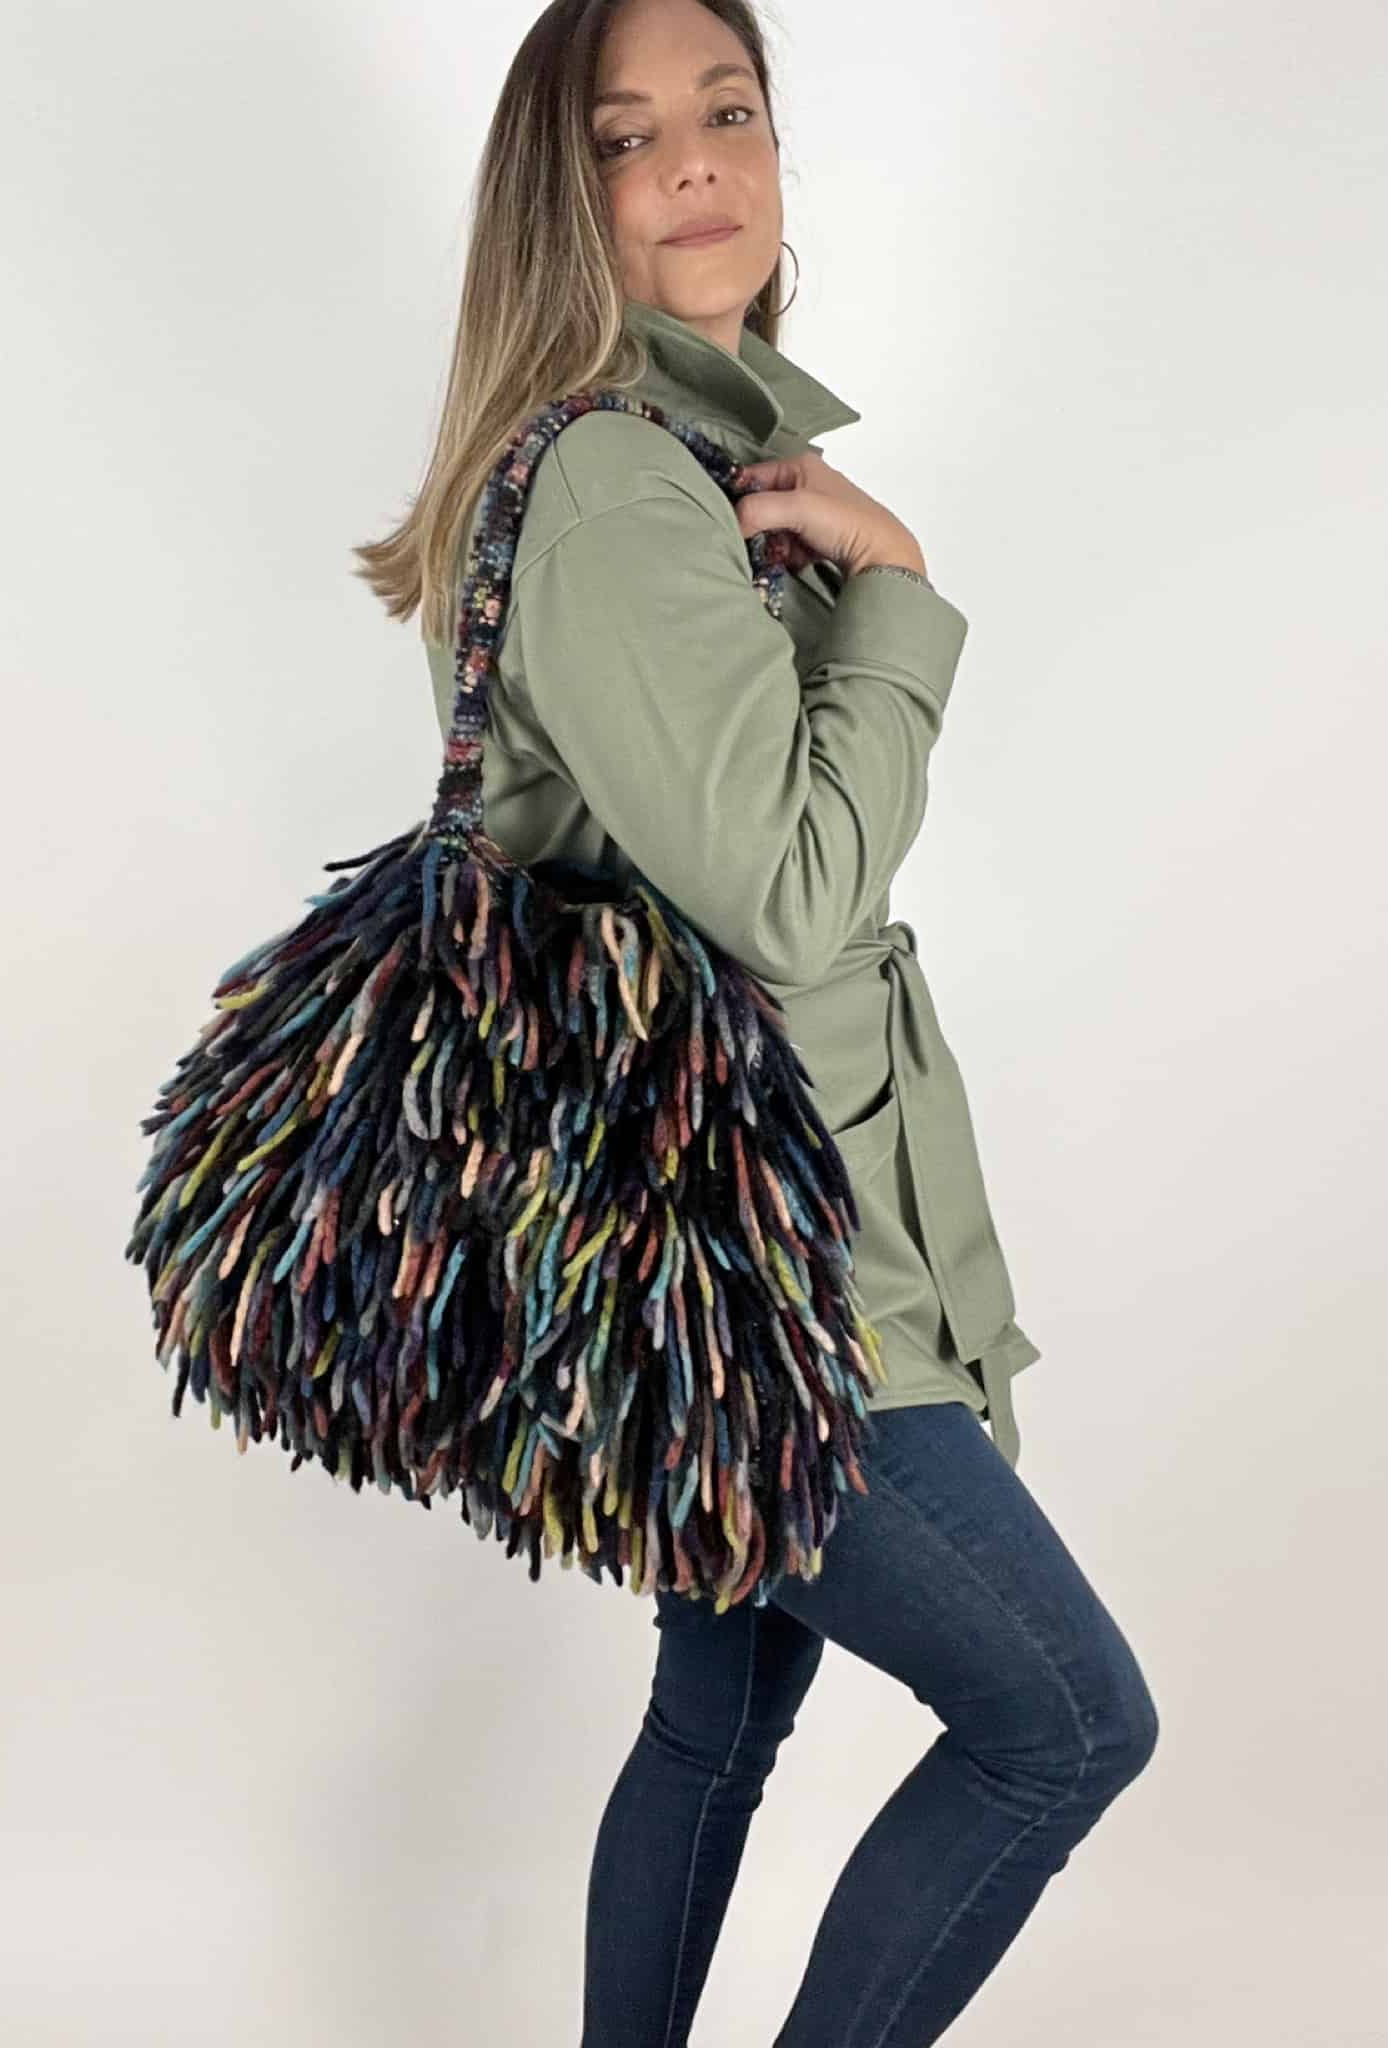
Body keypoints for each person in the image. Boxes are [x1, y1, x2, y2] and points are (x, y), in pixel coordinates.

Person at [355, 3, 1160, 2041]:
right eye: (626, 138)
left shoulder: (681, 464)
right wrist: (898, 600)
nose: (696, 160)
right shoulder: (621, 491)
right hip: (766, 1264)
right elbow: (791, 890)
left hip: (703, 1226)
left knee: (719, 1713)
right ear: (560, 203)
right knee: (1064, 1720)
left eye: (729, 110)